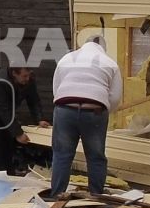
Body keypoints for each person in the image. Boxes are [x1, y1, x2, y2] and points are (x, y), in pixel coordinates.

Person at [49, 30, 123, 197]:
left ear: (83, 45)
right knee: (96, 156)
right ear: (103, 49)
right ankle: (96, 195)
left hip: (65, 108)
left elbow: (56, 88)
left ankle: (56, 195)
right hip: (94, 111)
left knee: (62, 154)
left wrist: (65, 107)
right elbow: (115, 97)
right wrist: (103, 111)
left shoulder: (67, 59)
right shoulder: (109, 62)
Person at [0, 65, 49, 176]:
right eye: (24, 76)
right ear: (14, 73)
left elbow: (34, 100)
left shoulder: (28, 79)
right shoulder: (0, 83)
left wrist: (39, 119)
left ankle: (9, 172)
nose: (27, 78)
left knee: (9, 141)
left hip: (6, 106)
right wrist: (18, 133)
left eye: (29, 75)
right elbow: (4, 111)